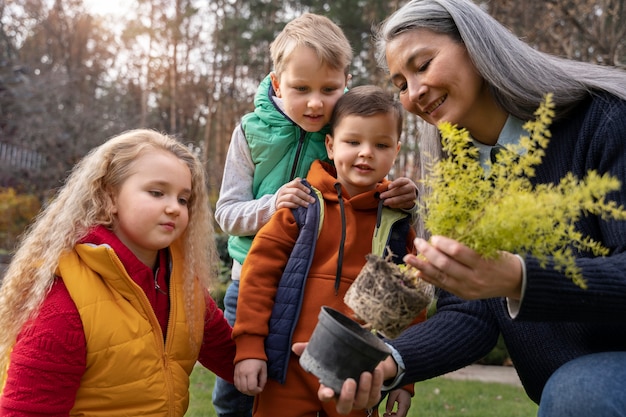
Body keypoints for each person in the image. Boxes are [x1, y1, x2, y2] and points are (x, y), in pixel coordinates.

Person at [302, 0, 626, 416]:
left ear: (476, 46)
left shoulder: (604, 121)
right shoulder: (457, 181)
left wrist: (518, 279)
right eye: (400, 83)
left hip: (590, 389)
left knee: (578, 390)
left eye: (423, 65)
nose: (414, 93)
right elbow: (470, 315)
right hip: (568, 393)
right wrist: (389, 362)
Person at [213, 13, 418, 417]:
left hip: (317, 288)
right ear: (277, 84)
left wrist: (408, 196)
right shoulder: (252, 132)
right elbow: (226, 213)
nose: (315, 102)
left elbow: (372, 184)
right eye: (301, 88)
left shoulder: (347, 133)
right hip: (252, 280)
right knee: (237, 392)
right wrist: (274, 205)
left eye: (328, 89)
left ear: (344, 84)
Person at [0, 129, 236, 416]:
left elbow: (234, 359)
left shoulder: (182, 286)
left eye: (183, 199)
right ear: (110, 197)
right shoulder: (64, 304)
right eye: (157, 192)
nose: (174, 207)